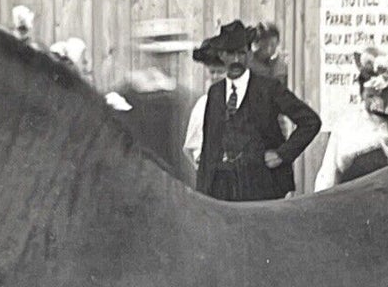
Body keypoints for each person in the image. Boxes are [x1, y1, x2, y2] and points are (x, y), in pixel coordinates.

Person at [182, 20, 320, 201]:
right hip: (222, 189)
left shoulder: (269, 88)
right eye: (231, 54)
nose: (237, 60)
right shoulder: (215, 93)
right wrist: (203, 193)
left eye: (241, 53)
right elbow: (209, 147)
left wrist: (282, 154)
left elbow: (310, 121)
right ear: (223, 56)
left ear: (248, 54)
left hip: (261, 187)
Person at [315, 60, 388, 189]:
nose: (376, 101)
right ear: (361, 94)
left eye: (382, 95)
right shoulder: (346, 126)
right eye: (370, 95)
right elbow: (329, 174)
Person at [105, 19, 193, 176]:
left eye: (173, 56)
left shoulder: (185, 98)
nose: (169, 62)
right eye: (159, 56)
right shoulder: (125, 95)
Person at [249, 21, 289, 87]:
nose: (269, 50)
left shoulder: (282, 64)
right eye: (265, 45)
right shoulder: (249, 63)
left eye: (273, 45)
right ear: (257, 43)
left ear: (277, 43)